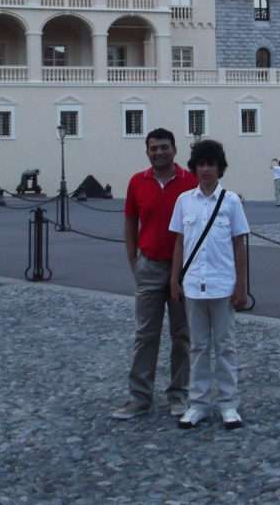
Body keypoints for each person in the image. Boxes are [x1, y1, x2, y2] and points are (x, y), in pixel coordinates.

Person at [112, 128, 198, 421]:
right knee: (145, 334)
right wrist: (133, 260)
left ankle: (179, 395)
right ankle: (140, 398)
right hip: (149, 265)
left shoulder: (191, 181)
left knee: (182, 335)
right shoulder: (138, 182)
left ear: (175, 149)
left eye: (164, 147)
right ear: (147, 152)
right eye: (154, 148)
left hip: (184, 269)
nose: (159, 152)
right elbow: (130, 221)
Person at [170, 139, 250, 430]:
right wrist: (174, 281)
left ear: (220, 168)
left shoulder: (231, 202)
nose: (206, 169)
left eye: (211, 164)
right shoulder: (184, 201)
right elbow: (179, 242)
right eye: (201, 164)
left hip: (222, 285)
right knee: (198, 347)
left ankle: (229, 404)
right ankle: (199, 403)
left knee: (225, 346)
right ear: (194, 168)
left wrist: (242, 286)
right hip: (193, 284)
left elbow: (239, 244)